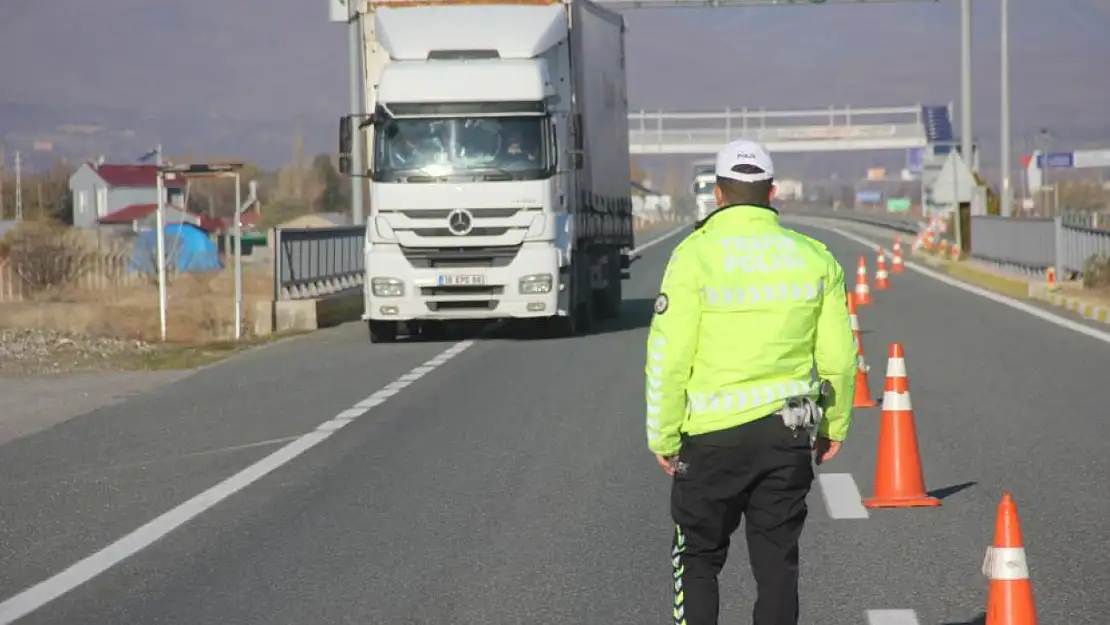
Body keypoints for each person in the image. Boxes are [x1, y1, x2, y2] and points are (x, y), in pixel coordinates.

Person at [644, 139, 858, 625]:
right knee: (777, 564)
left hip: (710, 438)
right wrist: (834, 425)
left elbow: (667, 356)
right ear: (772, 192)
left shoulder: (692, 257)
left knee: (698, 560)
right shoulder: (814, 257)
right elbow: (841, 360)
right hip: (786, 433)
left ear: (718, 195)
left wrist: (664, 433)